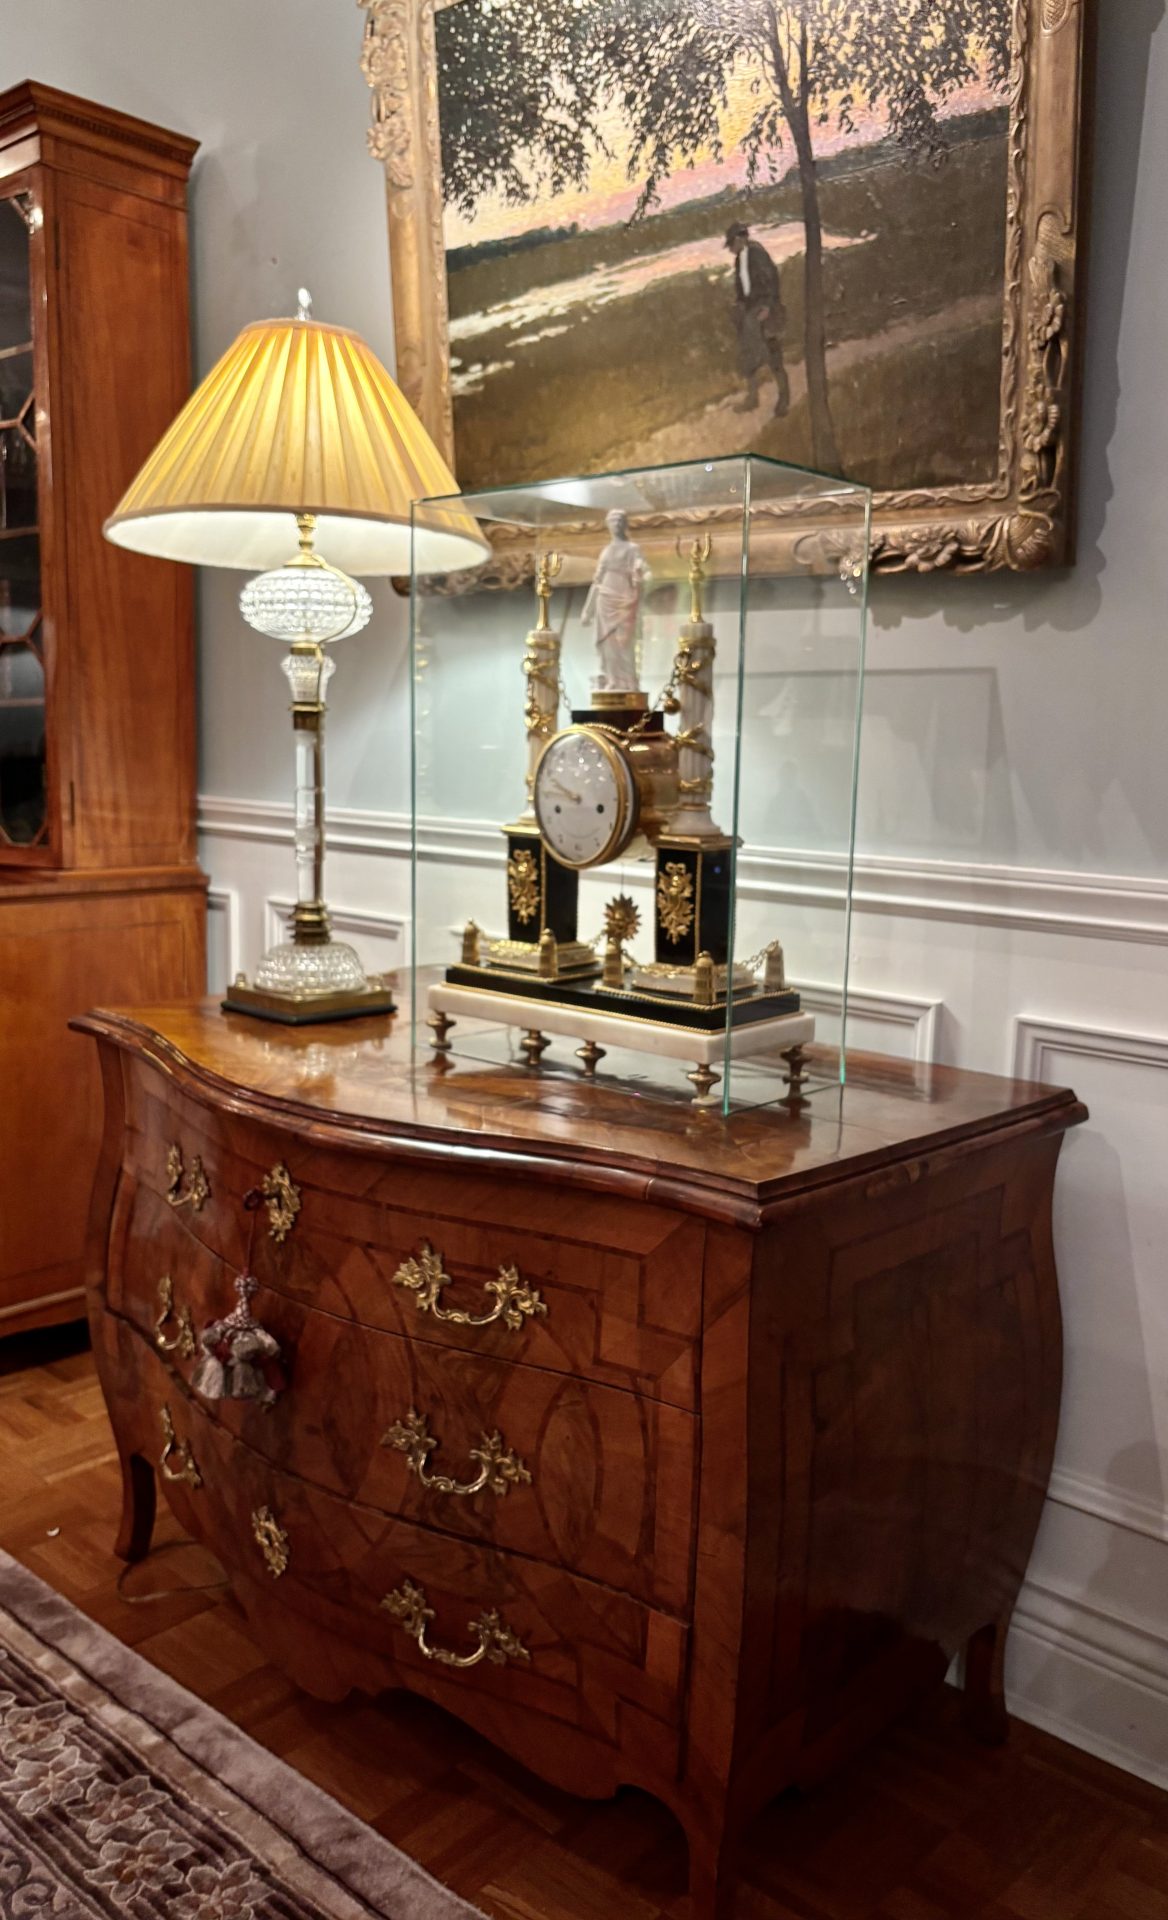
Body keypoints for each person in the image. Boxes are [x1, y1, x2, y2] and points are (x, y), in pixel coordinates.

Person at [725, 220, 790, 418]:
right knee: (748, 354)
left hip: (765, 311)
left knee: (774, 357)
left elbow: (771, 280)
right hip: (750, 312)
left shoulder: (757, 254)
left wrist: (768, 308)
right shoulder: (739, 259)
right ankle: (752, 398)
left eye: (731, 244)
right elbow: (742, 288)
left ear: (739, 239)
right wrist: (739, 304)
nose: (731, 249)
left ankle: (784, 400)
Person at [582, 507, 649, 692]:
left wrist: (640, 572)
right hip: (605, 600)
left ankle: (628, 682)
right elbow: (597, 581)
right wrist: (587, 610)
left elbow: (641, 569)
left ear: (625, 525)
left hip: (625, 600)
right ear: (608, 525)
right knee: (607, 644)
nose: (616, 524)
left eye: (620, 521)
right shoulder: (605, 551)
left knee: (625, 642)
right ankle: (612, 680)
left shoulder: (633, 549)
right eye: (613, 521)